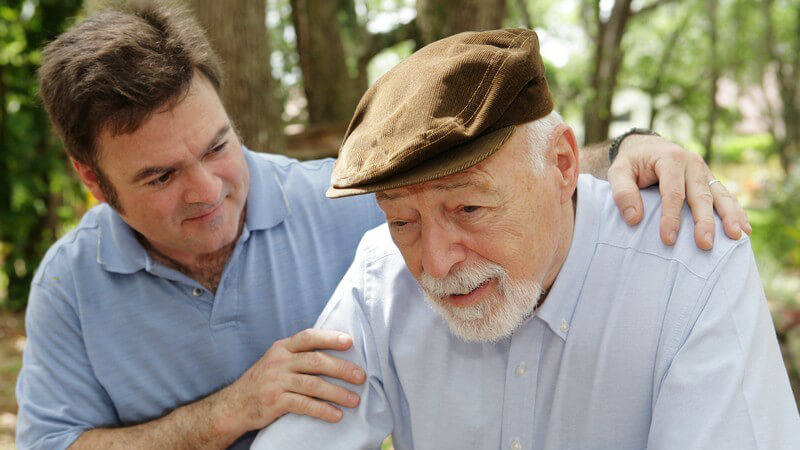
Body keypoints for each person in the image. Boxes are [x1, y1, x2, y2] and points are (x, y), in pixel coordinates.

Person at [16, 3, 750, 449]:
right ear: (93, 180)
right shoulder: (71, 287)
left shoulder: (343, 210)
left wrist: (630, 150)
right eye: (160, 176)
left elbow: (483, 173)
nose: (209, 189)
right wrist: (224, 415)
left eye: (217, 147)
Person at [253, 29, 800, 449]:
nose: (436, 264)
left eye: (469, 207)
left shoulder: (689, 268)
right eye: (403, 221)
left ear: (563, 164)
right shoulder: (380, 280)